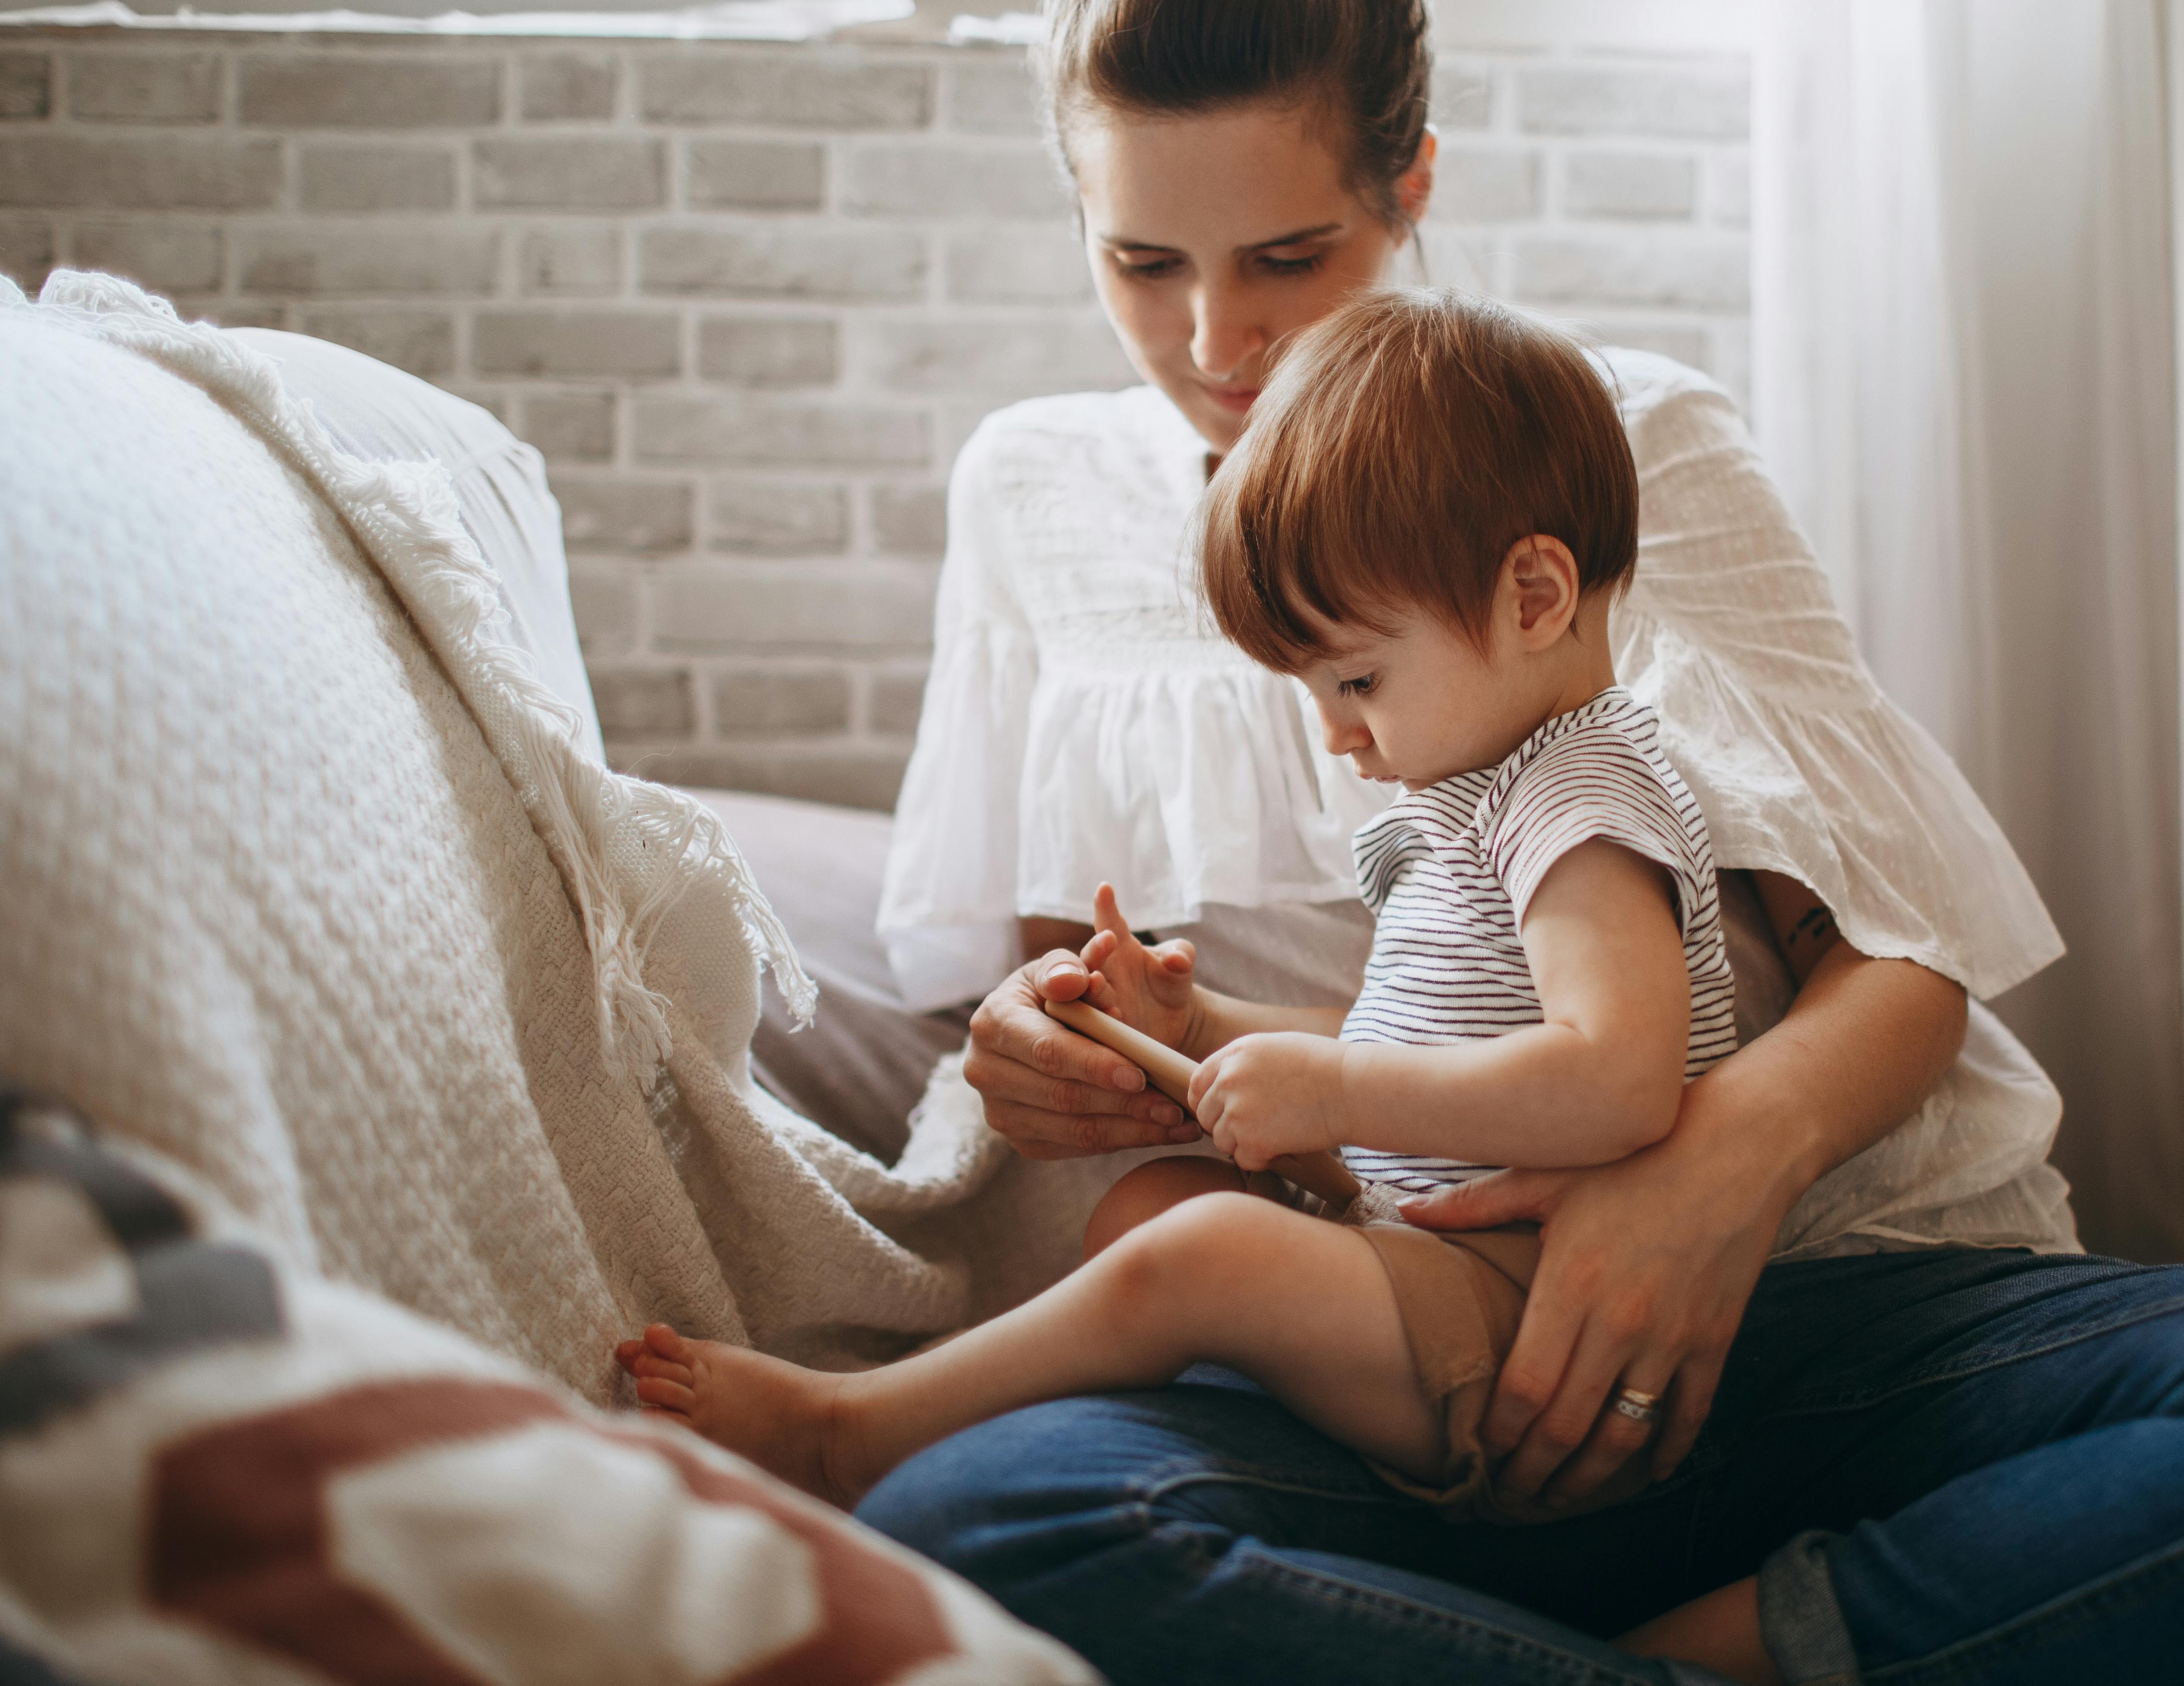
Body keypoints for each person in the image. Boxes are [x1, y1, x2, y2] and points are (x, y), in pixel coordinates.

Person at [858, 0, 2184, 1681]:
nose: (1216, 346)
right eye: (1142, 264)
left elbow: (1914, 943)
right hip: (1393, 1372)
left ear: (1410, 188)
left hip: (1812, 1318)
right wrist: (1065, 1039)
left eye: (1287, 260)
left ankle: (1715, 1639)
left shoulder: (1611, 443)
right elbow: (1045, 982)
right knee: (973, 1523)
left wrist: (1698, 1173)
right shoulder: (1034, 493)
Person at [623, 293, 1759, 1586]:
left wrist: (1328, 1089)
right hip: (1439, 1251)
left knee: (1202, 1258)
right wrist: (1202, 1031)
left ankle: (850, 1433)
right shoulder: (1484, 789)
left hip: (1532, 1324)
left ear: (1536, 594)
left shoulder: (1583, 803)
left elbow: (1616, 1078)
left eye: (1358, 682)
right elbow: (1429, 1048)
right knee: (1152, 1210)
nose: (1338, 734)